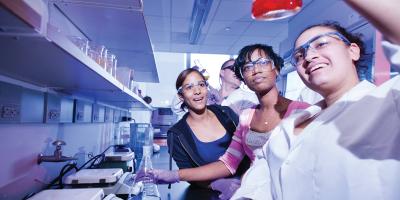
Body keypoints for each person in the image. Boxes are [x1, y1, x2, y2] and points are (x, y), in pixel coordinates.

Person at [233, 0, 400, 199]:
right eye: (299, 55)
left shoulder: (390, 102)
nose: (309, 56)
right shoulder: (291, 125)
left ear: (352, 50)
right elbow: (260, 183)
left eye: (321, 44)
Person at [146, 44, 308, 199]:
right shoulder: (246, 117)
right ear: (243, 78)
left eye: (263, 62)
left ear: (277, 69)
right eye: (248, 67)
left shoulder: (303, 112)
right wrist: (174, 175)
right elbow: (229, 163)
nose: (256, 70)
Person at [160, 68, 250, 188]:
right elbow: (188, 175)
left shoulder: (226, 114)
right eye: (189, 87)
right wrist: (216, 184)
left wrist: (246, 182)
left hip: (246, 188)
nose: (197, 91)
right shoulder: (177, 135)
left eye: (201, 85)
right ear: (181, 96)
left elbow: (248, 151)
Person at [171, 59, 259, 119]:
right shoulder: (206, 95)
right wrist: (188, 84)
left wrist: (220, 102)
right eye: (234, 68)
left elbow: (248, 125)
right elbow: (178, 109)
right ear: (222, 72)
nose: (238, 72)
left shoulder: (250, 98)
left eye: (240, 70)